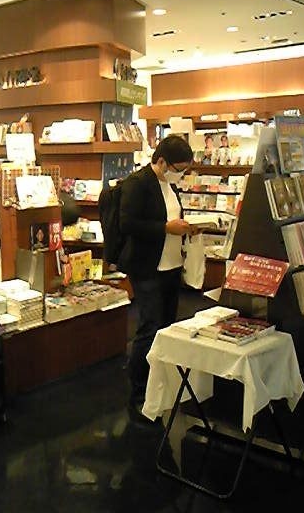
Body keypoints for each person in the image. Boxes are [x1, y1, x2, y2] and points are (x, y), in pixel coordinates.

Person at [119, 134, 195, 415]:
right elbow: (127, 223)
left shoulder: (169, 186)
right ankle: (139, 392)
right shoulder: (138, 183)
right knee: (149, 327)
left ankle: (159, 384)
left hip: (171, 265)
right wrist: (165, 228)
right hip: (147, 266)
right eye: (178, 169)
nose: (180, 175)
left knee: (167, 325)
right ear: (162, 161)